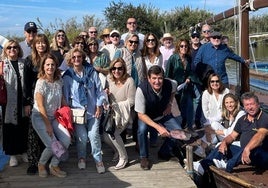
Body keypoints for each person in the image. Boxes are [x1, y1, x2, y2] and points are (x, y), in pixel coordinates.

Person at [199, 92, 268, 178]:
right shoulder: (242, 119)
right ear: (244, 106)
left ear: (258, 104)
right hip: (245, 153)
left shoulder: (264, 118)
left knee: (252, 149)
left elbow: (260, 135)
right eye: (247, 105)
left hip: (262, 155)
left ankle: (227, 168)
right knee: (222, 145)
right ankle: (201, 167)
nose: (250, 107)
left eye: (252, 104)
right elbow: (232, 136)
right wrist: (224, 142)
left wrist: (247, 148)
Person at [135, 65, 189, 170]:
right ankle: (144, 157)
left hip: (162, 114)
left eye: (160, 78)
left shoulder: (170, 84)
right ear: (148, 78)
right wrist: (158, 127)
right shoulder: (141, 90)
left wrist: (169, 104)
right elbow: (140, 114)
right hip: (146, 116)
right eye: (154, 78)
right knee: (142, 130)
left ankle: (164, 152)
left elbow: (174, 89)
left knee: (178, 132)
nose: (157, 81)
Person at [62, 48, 106, 174]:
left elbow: (100, 91)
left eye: (79, 56)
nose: (77, 59)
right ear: (70, 59)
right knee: (82, 137)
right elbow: (65, 96)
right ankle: (82, 157)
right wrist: (69, 112)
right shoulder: (68, 76)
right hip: (78, 113)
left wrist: (99, 105)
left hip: (93, 111)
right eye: (74, 57)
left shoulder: (91, 72)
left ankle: (98, 160)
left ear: (83, 58)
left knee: (94, 136)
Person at [31, 53, 71, 178]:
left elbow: (62, 98)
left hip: (55, 116)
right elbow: (40, 105)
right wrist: (48, 125)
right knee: (51, 144)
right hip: (40, 117)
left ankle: (54, 165)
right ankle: (41, 164)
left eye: (52, 64)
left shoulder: (59, 80)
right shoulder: (41, 83)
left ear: (56, 66)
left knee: (66, 139)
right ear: (43, 66)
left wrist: (67, 112)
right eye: (47, 64)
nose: (50, 67)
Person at [23, 34, 50, 175]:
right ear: (34, 45)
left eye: (43, 43)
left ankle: (47, 159)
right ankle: (34, 162)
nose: (41, 45)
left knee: (48, 128)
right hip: (34, 99)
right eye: (38, 43)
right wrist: (26, 103)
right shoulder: (29, 61)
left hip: (49, 98)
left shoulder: (50, 59)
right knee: (33, 131)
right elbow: (26, 84)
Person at [103, 58, 136, 170]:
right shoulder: (109, 79)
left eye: (119, 68)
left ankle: (124, 157)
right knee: (105, 136)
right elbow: (104, 96)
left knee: (114, 133)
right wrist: (105, 94)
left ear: (124, 69)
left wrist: (117, 106)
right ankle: (117, 150)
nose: (116, 71)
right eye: (114, 68)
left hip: (125, 114)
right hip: (112, 114)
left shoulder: (129, 81)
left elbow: (132, 101)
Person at [1, 40, 29, 167]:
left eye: (15, 47)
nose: (12, 49)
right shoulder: (2, 65)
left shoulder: (24, 63)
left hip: (22, 99)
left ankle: (23, 150)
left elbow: (28, 82)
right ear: (5, 50)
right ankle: (12, 154)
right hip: (8, 101)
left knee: (23, 126)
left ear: (19, 49)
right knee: (10, 127)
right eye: (9, 48)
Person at [165, 39, 201, 133]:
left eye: (185, 46)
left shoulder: (188, 58)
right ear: (178, 47)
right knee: (180, 110)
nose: (184, 48)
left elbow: (190, 71)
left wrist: (189, 77)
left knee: (189, 106)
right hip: (176, 89)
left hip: (186, 87)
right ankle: (179, 127)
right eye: (181, 46)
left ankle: (190, 127)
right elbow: (168, 74)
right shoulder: (173, 58)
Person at [194, 73, 229, 158]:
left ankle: (203, 146)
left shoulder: (226, 92)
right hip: (211, 125)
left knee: (213, 125)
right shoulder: (206, 94)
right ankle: (208, 146)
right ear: (209, 83)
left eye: (217, 81)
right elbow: (206, 114)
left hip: (224, 127)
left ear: (220, 82)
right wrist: (208, 125)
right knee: (212, 126)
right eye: (212, 81)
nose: (215, 83)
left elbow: (226, 112)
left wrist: (208, 126)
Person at [190, 30, 204, 129]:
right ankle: (190, 120)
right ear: (191, 38)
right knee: (191, 99)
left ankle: (197, 120)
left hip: (202, 78)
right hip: (190, 78)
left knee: (199, 99)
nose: (195, 38)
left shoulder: (203, 48)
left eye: (197, 36)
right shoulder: (187, 49)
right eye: (193, 36)